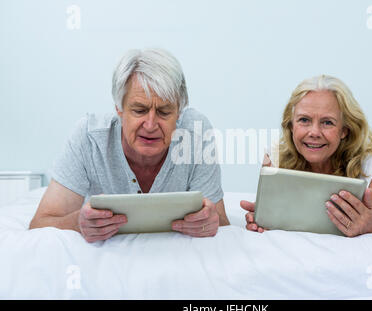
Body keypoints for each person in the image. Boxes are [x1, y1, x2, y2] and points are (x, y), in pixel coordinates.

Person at [29, 48, 230, 242]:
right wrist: (77, 223)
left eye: (164, 112)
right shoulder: (88, 138)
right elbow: (40, 224)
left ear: (179, 112)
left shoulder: (196, 132)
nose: (150, 125)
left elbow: (220, 222)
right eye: (139, 110)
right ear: (119, 108)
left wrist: (209, 222)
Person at [241, 75, 372, 237]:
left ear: (344, 130)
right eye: (304, 120)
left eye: (327, 122)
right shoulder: (275, 159)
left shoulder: (371, 164)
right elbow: (270, 226)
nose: (314, 132)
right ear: (291, 126)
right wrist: (262, 221)